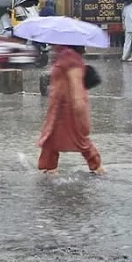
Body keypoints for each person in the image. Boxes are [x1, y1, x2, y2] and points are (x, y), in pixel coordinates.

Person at [38, 45, 104, 175]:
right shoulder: (61, 54)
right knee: (51, 138)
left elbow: (75, 79)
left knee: (79, 139)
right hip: (59, 106)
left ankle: (97, 166)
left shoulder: (69, 56)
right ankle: (49, 169)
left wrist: (78, 102)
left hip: (68, 106)